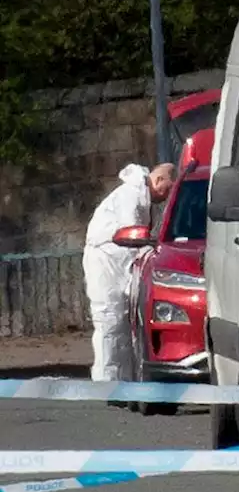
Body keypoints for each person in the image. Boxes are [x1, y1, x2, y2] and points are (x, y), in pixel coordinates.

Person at [83, 163, 175, 386]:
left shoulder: (140, 198)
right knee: (110, 322)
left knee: (124, 325)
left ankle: (123, 382)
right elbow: (132, 233)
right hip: (107, 264)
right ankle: (107, 382)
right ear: (159, 180)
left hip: (118, 264)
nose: (166, 197)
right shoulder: (131, 195)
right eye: (167, 190)